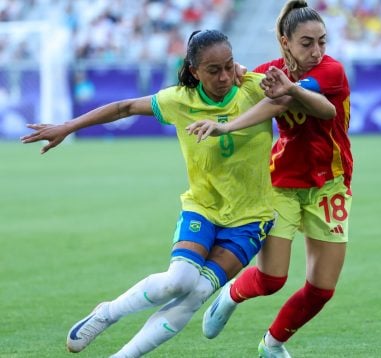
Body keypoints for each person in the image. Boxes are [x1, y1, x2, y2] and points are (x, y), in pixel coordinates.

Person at [20, 29, 308, 358]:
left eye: (229, 66)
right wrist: (68, 126)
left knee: (196, 292)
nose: (225, 76)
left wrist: (260, 78)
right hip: (202, 207)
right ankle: (107, 312)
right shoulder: (179, 101)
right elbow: (123, 107)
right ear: (194, 71)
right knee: (177, 281)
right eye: (213, 70)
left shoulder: (254, 88)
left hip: (250, 218)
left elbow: (293, 98)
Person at [189, 1, 353, 357]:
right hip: (281, 184)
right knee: (271, 279)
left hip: (331, 184)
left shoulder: (331, 71)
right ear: (286, 42)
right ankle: (230, 295)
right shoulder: (268, 72)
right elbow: (234, 81)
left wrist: (283, 91)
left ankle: (272, 344)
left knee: (322, 289)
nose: (317, 51)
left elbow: (303, 102)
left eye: (322, 41)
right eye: (307, 43)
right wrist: (236, 76)